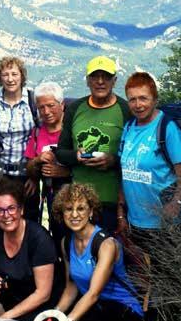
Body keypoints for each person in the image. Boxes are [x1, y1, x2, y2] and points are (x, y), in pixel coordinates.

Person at [53, 182, 144, 321]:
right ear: (61, 213)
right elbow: (71, 286)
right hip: (95, 307)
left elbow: (93, 293)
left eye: (81, 208)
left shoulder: (105, 244)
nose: (74, 215)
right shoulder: (66, 242)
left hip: (122, 309)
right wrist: (54, 315)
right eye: (69, 209)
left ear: (91, 212)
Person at [117, 71, 181, 260]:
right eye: (132, 99)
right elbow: (124, 173)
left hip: (163, 222)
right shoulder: (128, 128)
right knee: (143, 272)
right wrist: (121, 213)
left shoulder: (167, 128)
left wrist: (176, 202)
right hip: (135, 221)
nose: (138, 105)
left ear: (155, 99)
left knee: (167, 273)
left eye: (143, 98)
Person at [55, 55, 130, 233]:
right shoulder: (75, 108)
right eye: (95, 76)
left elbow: (135, 157)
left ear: (114, 81)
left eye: (106, 77)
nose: (100, 81)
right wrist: (76, 156)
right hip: (78, 202)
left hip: (112, 202)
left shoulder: (125, 109)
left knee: (109, 248)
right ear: (88, 81)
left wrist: (112, 160)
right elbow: (61, 152)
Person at [0, 176, 57, 321]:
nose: (6, 215)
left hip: (36, 302)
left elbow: (43, 293)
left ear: (21, 209)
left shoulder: (39, 238)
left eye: (11, 208)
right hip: (11, 293)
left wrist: (5, 318)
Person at [24, 82, 71, 238]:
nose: (46, 112)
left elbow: (85, 164)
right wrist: (37, 160)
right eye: (41, 108)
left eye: (51, 106)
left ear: (62, 105)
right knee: (57, 237)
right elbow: (29, 166)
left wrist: (64, 172)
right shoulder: (38, 132)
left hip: (73, 197)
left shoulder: (72, 129)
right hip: (50, 197)